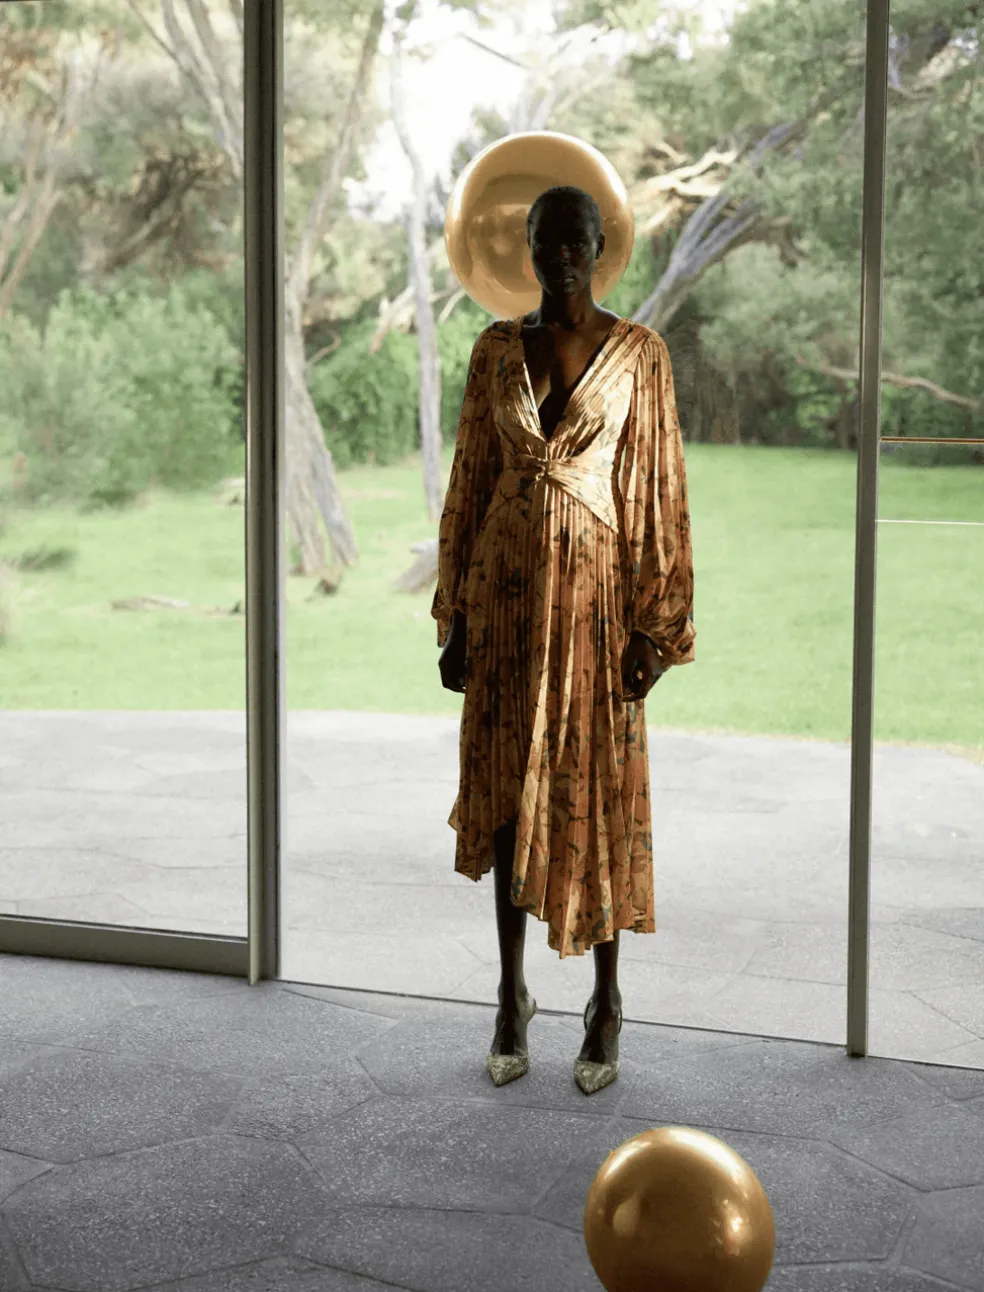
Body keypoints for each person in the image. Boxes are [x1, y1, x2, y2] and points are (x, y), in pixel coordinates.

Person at [431, 184, 696, 1094]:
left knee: (596, 796)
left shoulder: (641, 354)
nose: (562, 255)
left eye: (576, 239)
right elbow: (470, 481)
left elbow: (659, 490)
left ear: (600, 244)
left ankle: (606, 1002)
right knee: (510, 795)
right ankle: (511, 998)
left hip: (595, 609)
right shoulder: (495, 349)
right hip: (503, 603)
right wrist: (457, 618)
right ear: (530, 249)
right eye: (546, 240)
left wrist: (656, 629)